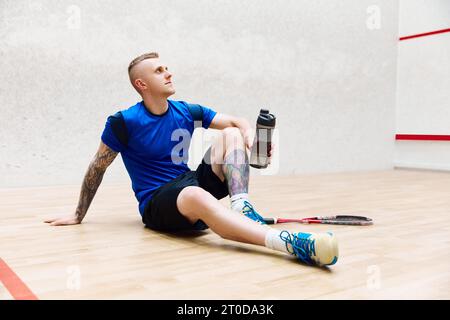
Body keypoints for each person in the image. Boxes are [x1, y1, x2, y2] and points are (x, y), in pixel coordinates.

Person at [45, 52, 338, 266]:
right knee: (195, 193)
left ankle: (242, 206)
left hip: (189, 185)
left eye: (167, 68)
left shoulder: (186, 110)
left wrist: (250, 136)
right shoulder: (124, 122)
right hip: (158, 204)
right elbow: (98, 166)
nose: (168, 73)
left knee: (231, 134)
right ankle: (287, 242)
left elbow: (235, 120)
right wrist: (78, 213)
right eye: (159, 71)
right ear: (141, 84)